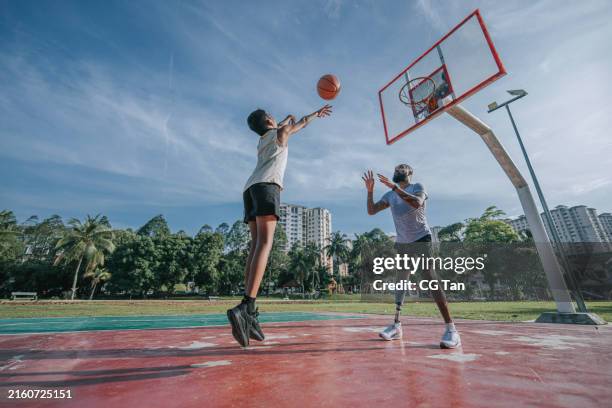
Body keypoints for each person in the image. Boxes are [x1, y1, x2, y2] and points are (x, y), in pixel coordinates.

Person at [227, 104, 332, 347]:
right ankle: (246, 306)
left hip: (250, 189)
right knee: (265, 244)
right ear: (270, 120)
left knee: (254, 246)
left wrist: (286, 118)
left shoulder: (262, 140)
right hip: (267, 187)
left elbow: (283, 124)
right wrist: (316, 113)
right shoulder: (281, 133)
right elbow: (301, 122)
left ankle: (249, 311)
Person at [362, 164, 461, 349]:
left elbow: (417, 203)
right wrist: (370, 191)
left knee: (430, 278)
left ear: (410, 172)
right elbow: (371, 210)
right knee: (401, 282)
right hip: (403, 242)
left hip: (421, 237)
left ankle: (451, 329)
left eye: (403, 168)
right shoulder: (390, 195)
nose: (398, 169)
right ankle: (397, 326)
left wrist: (394, 187)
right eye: (397, 167)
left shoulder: (417, 186)